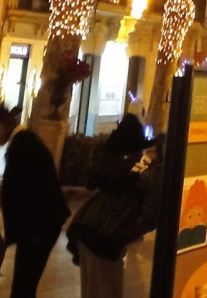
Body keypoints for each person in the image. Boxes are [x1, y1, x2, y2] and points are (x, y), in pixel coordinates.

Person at [66, 115, 163, 298]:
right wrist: (126, 233)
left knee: (94, 290)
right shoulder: (142, 174)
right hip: (101, 239)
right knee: (105, 290)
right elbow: (148, 216)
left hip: (88, 233)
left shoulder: (118, 168)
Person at [0, 105, 70, 298]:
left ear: (2, 126)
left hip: (38, 229)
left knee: (23, 286)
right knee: (25, 285)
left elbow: (31, 189)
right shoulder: (24, 141)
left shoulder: (23, 144)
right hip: (39, 227)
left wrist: (30, 231)